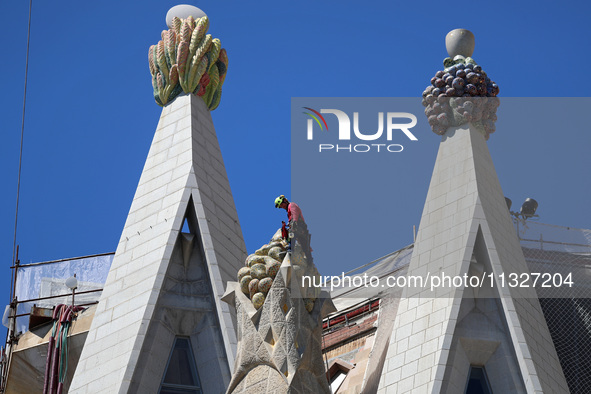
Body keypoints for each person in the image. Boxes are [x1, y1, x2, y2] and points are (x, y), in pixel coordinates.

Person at [274, 195, 311, 259]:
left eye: (282, 205)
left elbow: (295, 215)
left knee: (291, 233)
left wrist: (293, 223)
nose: (283, 207)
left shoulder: (292, 205)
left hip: (300, 228)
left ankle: (290, 250)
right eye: (281, 207)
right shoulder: (289, 209)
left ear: (285, 201)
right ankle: (307, 259)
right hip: (300, 229)